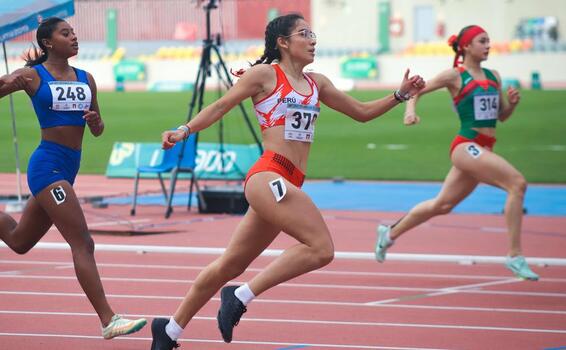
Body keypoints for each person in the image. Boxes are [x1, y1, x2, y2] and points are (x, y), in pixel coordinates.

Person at [150, 13, 425, 349]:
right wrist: (183, 130)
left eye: (313, 34)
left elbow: (361, 112)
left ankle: (169, 331)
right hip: (269, 174)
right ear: (283, 42)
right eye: (304, 34)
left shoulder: (317, 83)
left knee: (230, 263)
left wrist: (399, 95)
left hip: (289, 181)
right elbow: (222, 105)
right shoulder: (265, 74)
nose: (313, 40)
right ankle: (240, 295)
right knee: (321, 248)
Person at [0, 17, 147, 338]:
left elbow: (97, 128)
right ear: (48, 43)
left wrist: (95, 120)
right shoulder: (32, 76)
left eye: (74, 33)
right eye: (65, 34)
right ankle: (109, 319)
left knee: (19, 241)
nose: (74, 37)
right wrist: (8, 79)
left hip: (70, 166)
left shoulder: (86, 78)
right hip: (47, 166)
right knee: (82, 241)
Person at [374, 25, 539, 281]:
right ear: (466, 46)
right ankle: (515, 255)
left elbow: (500, 117)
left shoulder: (494, 76)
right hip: (465, 146)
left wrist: (513, 105)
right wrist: (410, 111)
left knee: (442, 204)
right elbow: (415, 91)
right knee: (517, 184)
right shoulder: (454, 75)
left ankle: (389, 233)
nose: (488, 45)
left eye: (489, 41)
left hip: (484, 149)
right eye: (482, 41)